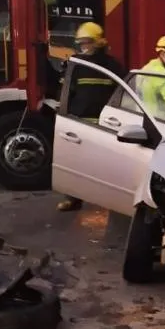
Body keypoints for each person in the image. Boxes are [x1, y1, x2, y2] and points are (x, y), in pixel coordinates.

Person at [57, 22, 128, 212]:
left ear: (98, 42)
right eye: (81, 43)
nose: (84, 47)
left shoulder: (112, 65)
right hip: (80, 123)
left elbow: (123, 93)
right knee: (75, 165)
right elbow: (66, 92)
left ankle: (112, 202)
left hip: (106, 124)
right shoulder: (77, 64)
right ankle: (73, 199)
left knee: (107, 166)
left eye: (87, 42)